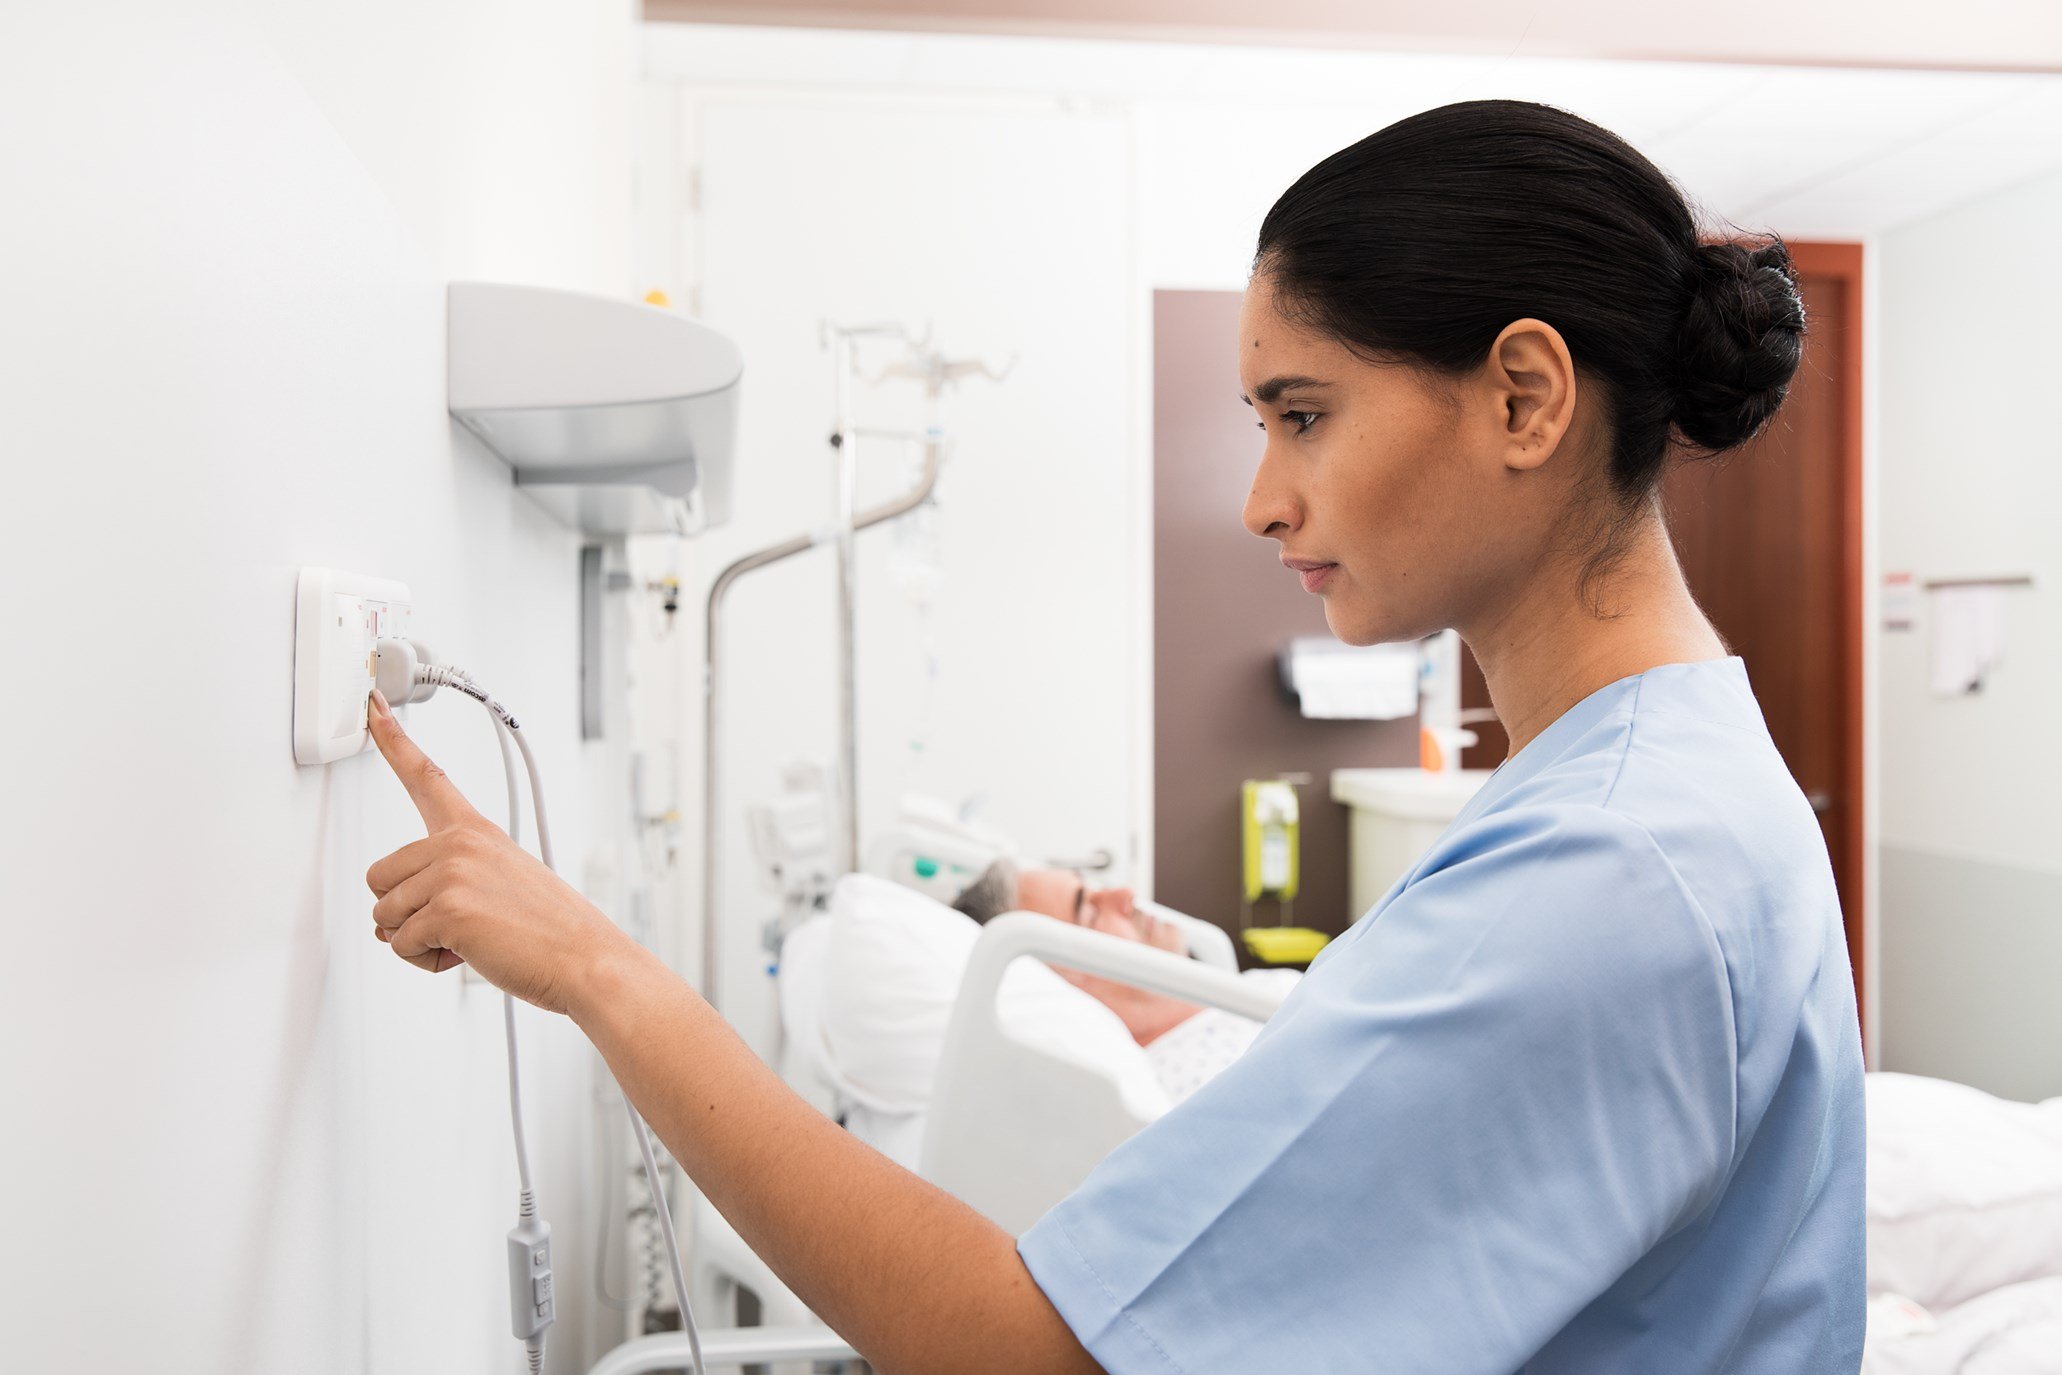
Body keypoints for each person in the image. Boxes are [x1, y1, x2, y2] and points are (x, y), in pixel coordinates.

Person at [362, 99, 1864, 1373]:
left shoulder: (1607, 866)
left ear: (1523, 396)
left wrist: (597, 967)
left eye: (1301, 413)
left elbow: (1027, 1346)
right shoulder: (1674, 787)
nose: (1260, 496)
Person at [952, 858, 1205, 1046]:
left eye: (1097, 887)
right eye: (1090, 913)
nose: (1125, 894)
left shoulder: (1231, 1013)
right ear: (1062, 990)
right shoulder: (1197, 1077)